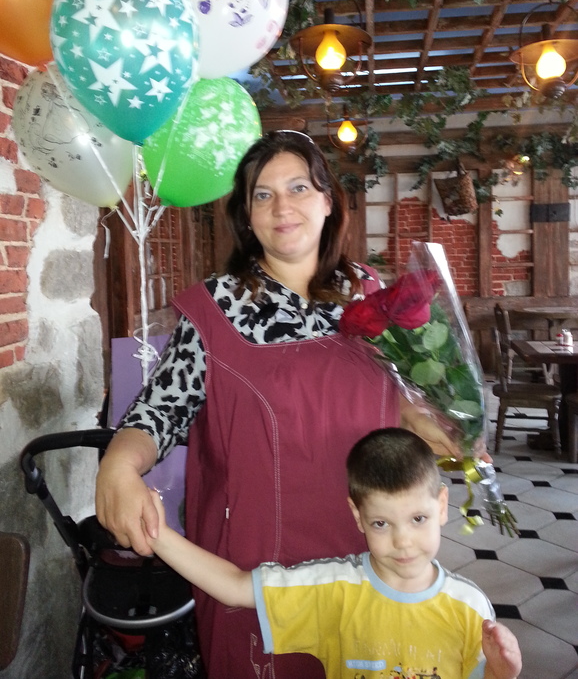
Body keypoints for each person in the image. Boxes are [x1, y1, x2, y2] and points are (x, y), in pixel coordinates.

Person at [96, 130, 461, 679]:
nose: (281, 207)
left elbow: (392, 391)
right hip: (258, 562)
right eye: (262, 195)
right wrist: (118, 467)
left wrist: (428, 419)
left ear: (328, 201)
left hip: (371, 540)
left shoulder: (367, 292)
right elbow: (158, 412)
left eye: (298, 188)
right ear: (247, 217)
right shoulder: (218, 308)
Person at [144, 428, 522, 679]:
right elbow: (236, 587)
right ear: (358, 516)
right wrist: (156, 534)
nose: (403, 541)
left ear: (441, 506)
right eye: (381, 523)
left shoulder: (470, 607)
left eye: (417, 519)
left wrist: (503, 671)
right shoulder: (334, 588)